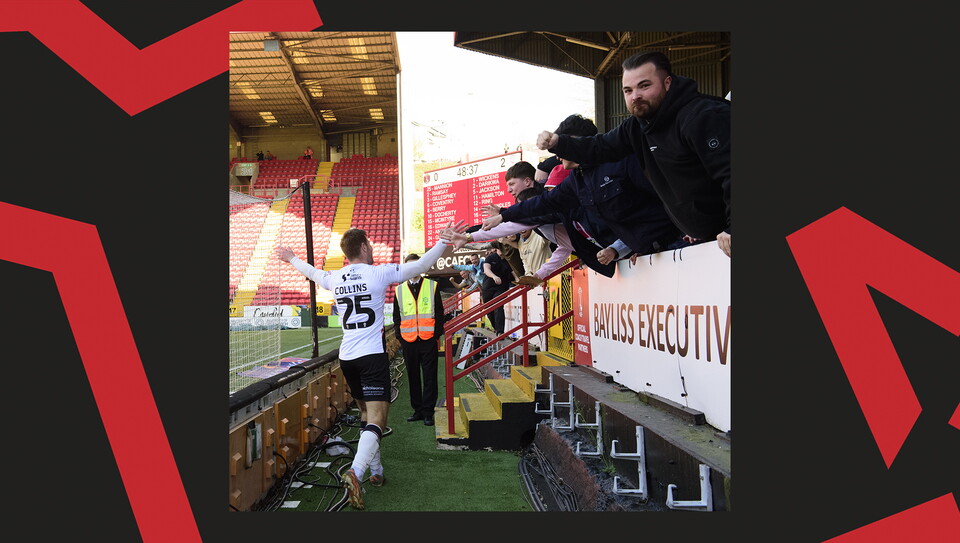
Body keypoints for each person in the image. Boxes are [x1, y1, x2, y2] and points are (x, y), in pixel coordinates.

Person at [275, 225, 458, 509]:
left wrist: (291, 258)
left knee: (364, 413)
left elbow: (311, 273)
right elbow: (422, 264)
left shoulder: (334, 278)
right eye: (369, 245)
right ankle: (355, 472)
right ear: (362, 247)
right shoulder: (378, 273)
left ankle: (376, 471)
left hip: (347, 357)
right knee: (378, 420)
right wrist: (442, 241)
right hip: (371, 356)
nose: (372, 249)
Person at [536, 51, 731, 257]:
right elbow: (600, 147)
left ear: (668, 83)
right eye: (628, 90)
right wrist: (558, 142)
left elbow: (731, 171)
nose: (635, 96)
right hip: (707, 240)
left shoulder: (704, 115)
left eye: (644, 86)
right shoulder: (637, 127)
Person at [489, 114, 684, 263]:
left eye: (561, 147)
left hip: (681, 245)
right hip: (651, 255)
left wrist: (687, 227)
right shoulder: (577, 180)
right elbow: (544, 203)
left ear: (577, 142)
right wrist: (504, 215)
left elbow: (667, 193)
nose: (557, 155)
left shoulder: (622, 162)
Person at [392, 254, 443, 427]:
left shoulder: (432, 286)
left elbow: (439, 313)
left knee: (430, 377)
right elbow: (396, 317)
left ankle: (428, 412)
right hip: (408, 341)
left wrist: (436, 335)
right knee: (413, 377)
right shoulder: (399, 290)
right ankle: (418, 410)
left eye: (416, 265)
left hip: (428, 340)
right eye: (409, 266)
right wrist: (400, 338)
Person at [479, 241, 516, 335]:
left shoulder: (509, 259)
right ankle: (496, 328)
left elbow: (514, 272)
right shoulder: (490, 257)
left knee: (498, 306)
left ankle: (500, 331)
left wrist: (518, 280)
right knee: (489, 310)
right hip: (488, 287)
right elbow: (486, 269)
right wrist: (494, 276)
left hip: (502, 287)